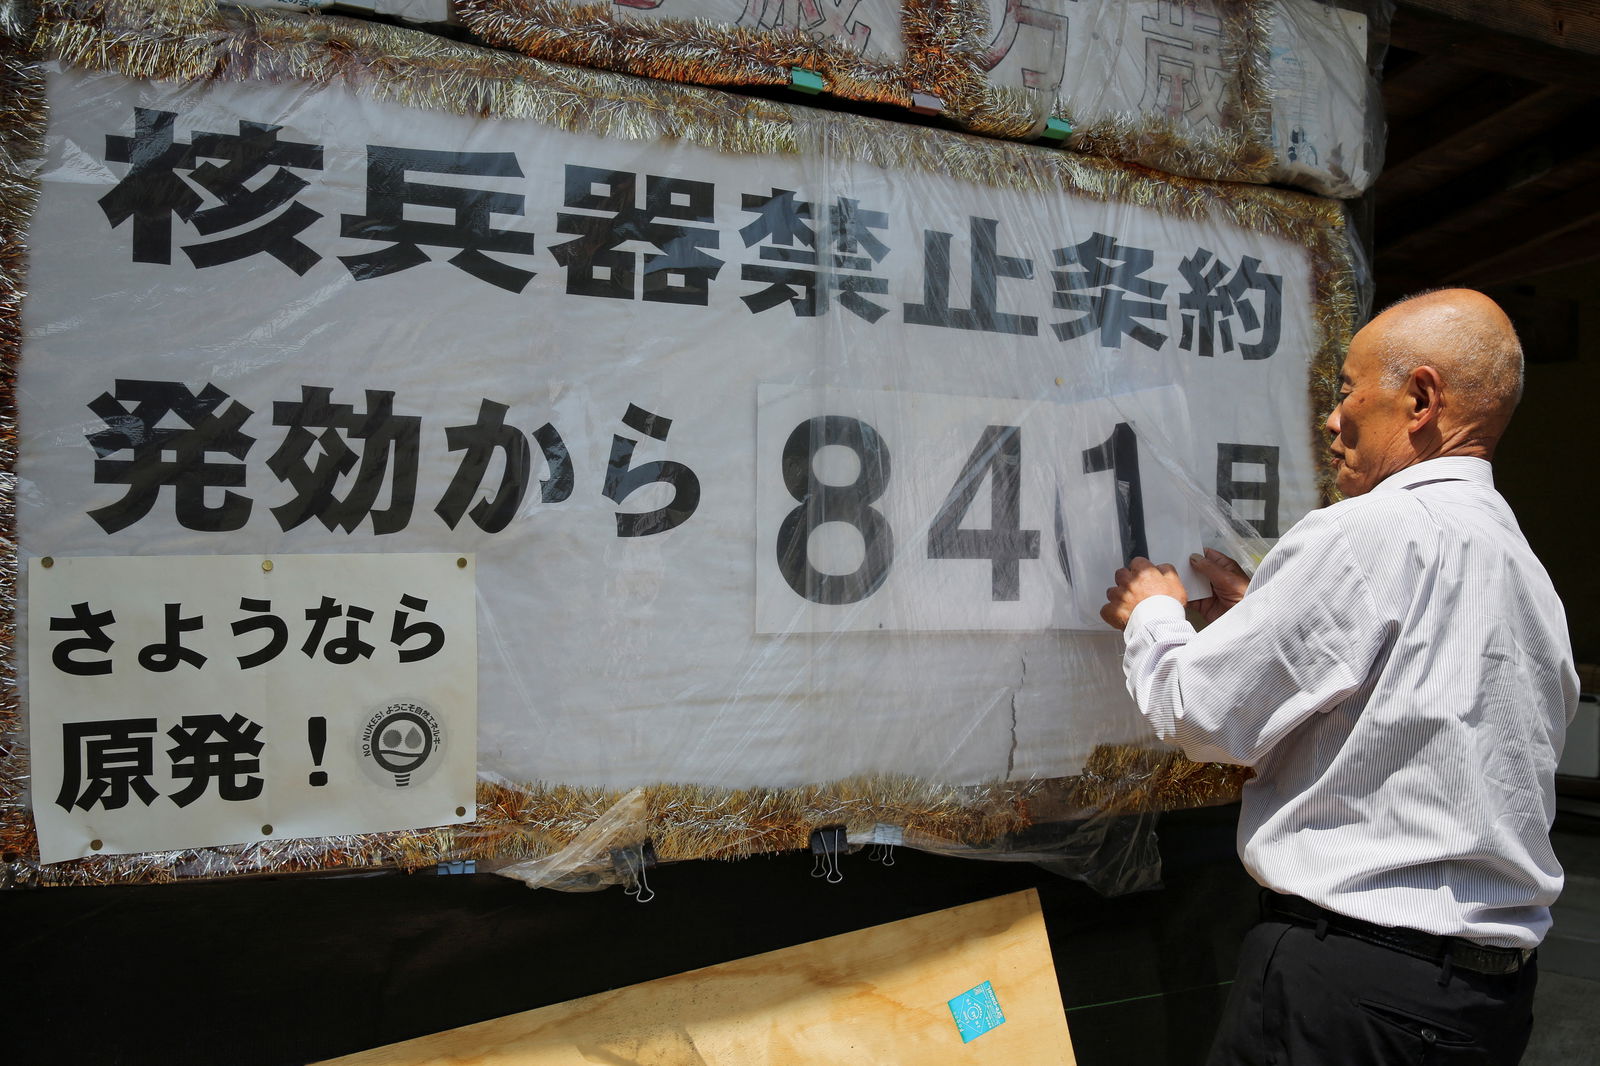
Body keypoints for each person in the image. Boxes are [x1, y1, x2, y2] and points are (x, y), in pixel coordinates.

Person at [1100, 288, 1578, 1065]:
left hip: (1351, 983)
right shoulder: (1522, 567)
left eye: (1349, 391)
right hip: (1481, 1002)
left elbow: (1199, 713)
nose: (1331, 419)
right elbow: (1409, 713)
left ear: (1420, 398)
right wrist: (1265, 620)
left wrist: (1154, 615)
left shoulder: (1368, 531)